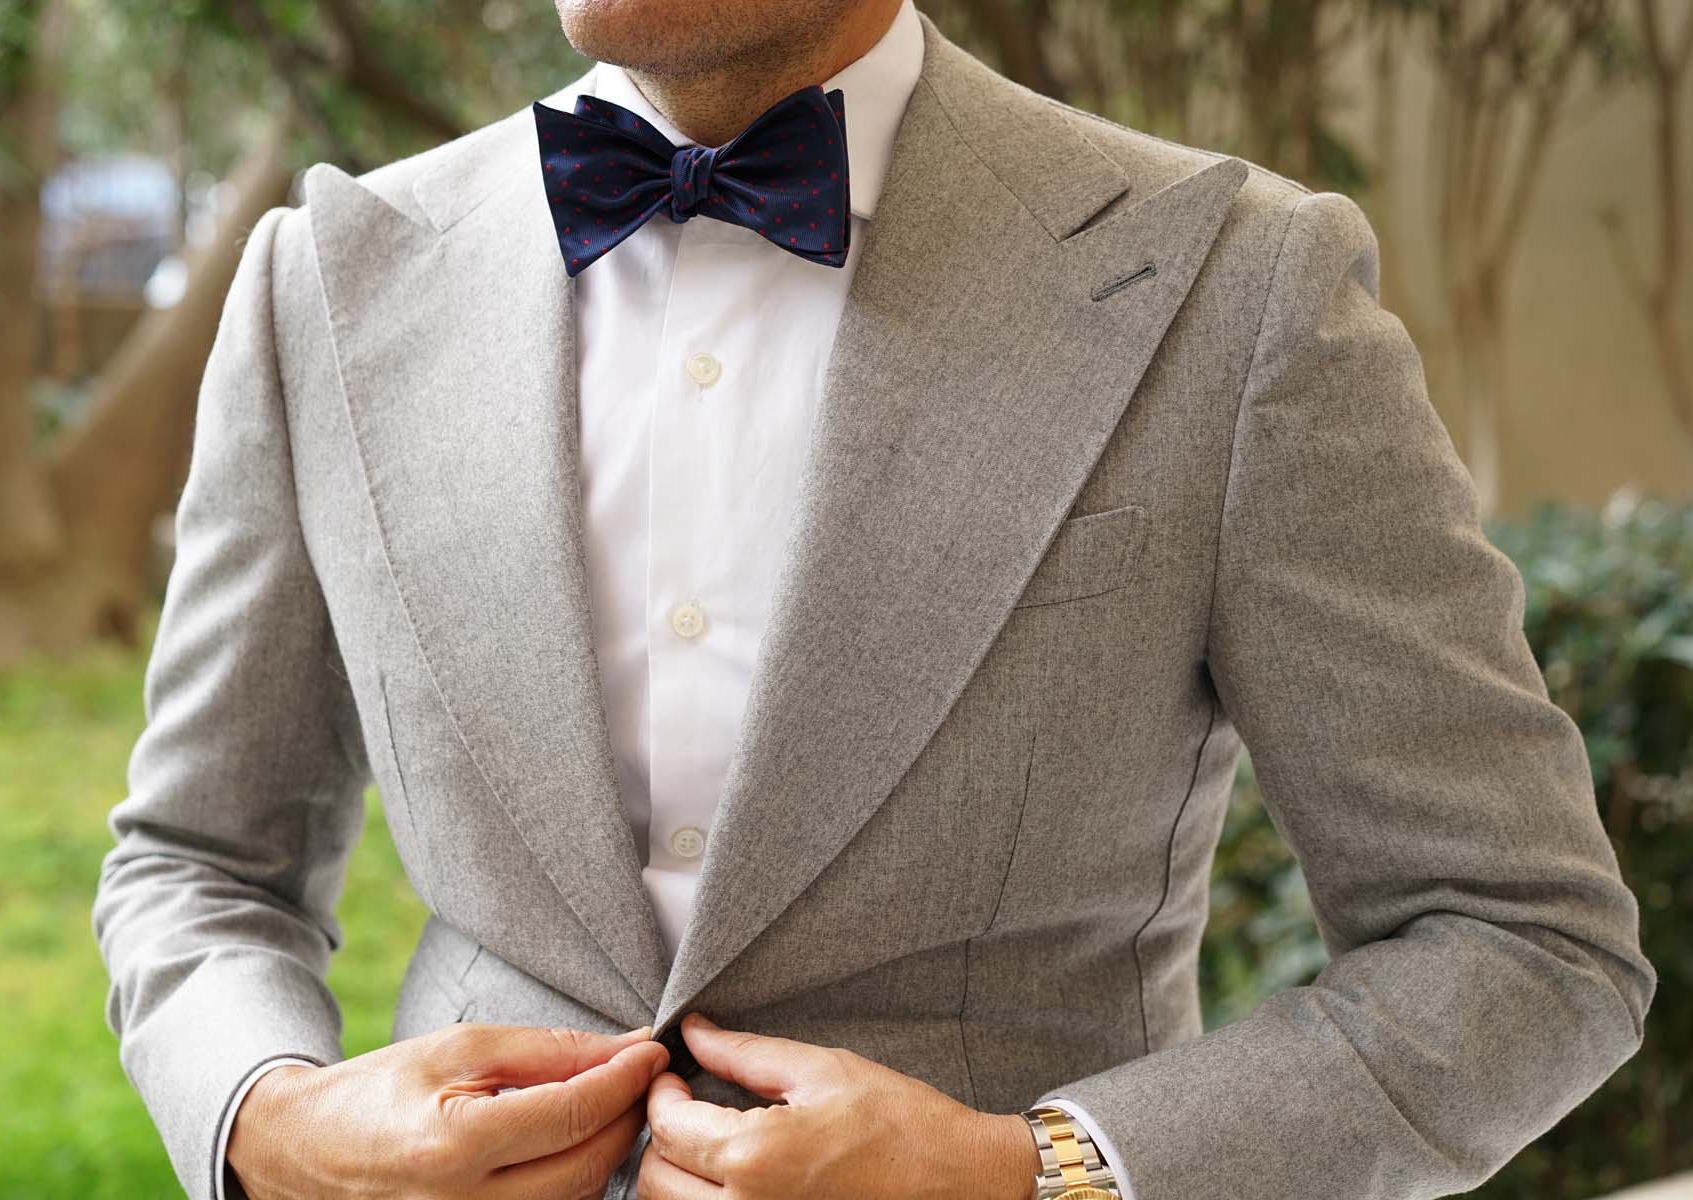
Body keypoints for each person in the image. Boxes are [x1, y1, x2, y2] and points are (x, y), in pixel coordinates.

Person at [91, 1, 1656, 1198]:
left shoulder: (1236, 290)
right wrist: (273, 1122)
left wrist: (1030, 1169)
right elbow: (194, 859)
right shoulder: (331, 283)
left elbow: (1524, 939)